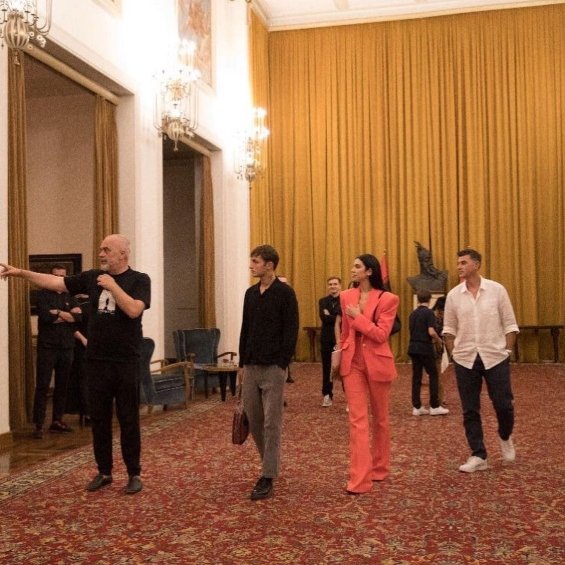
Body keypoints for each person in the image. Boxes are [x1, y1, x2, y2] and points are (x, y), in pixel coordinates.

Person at [1, 234, 151, 494]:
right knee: (100, 420)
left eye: (107, 250)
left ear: (123, 254)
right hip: (96, 362)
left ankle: (133, 474)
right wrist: (20, 273)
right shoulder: (92, 277)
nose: (101, 254)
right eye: (101, 249)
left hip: (126, 361)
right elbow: (56, 282)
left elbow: (134, 310)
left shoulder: (139, 280)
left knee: (128, 419)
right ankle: (104, 472)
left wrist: (113, 286)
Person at [443, 248, 519, 473]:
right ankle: (478, 455)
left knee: (504, 404)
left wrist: (507, 351)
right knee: (469, 409)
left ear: (476, 264)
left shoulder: (497, 290)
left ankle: (505, 436)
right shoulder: (453, 295)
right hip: (465, 359)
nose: (459, 266)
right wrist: (454, 354)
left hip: (495, 356)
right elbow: (448, 329)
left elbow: (510, 324)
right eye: (458, 262)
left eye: (463, 262)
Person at [239, 245, 299, 500]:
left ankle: (267, 476)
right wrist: (242, 364)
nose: (251, 266)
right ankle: (270, 463)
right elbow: (245, 328)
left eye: (255, 261)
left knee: (272, 423)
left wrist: (282, 363)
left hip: (274, 367)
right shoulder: (250, 294)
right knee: (254, 420)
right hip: (251, 366)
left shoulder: (285, 294)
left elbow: (291, 329)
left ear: (269, 265)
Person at [338, 253, 399, 494]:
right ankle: (359, 480)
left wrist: (358, 317)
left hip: (378, 362)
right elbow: (345, 333)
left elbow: (381, 335)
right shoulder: (345, 296)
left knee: (381, 419)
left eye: (357, 266)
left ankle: (380, 468)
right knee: (357, 420)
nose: (352, 270)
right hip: (352, 363)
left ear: (369, 271)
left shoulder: (388, 299)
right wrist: (341, 355)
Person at [32, 265, 82, 439]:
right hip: (48, 347)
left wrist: (59, 313)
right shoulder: (43, 295)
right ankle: (39, 424)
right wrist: (68, 315)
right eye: (56, 276)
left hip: (67, 347)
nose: (59, 279)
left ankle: (57, 421)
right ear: (49, 277)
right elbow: (47, 317)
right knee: (43, 386)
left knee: (62, 385)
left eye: (62, 276)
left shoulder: (70, 296)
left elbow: (78, 318)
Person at [408, 289, 449, 416]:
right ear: (430, 299)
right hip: (425, 348)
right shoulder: (429, 313)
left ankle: (417, 407)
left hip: (413, 347)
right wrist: (439, 340)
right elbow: (431, 331)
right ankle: (434, 406)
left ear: (418, 299)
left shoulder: (413, 314)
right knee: (433, 375)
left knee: (416, 377)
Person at [318, 276, 342, 407]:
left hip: (342, 340)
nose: (333, 286)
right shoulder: (322, 301)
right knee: (327, 368)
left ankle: (350, 397)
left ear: (340, 286)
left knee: (345, 369)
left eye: (335, 284)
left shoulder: (345, 300)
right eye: (330, 284)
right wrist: (337, 317)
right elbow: (324, 318)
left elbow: (344, 320)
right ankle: (327, 395)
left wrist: (330, 316)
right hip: (326, 339)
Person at [431, 295, 448, 405]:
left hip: (432, 347)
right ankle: (439, 398)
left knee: (436, 374)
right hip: (436, 347)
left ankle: (439, 397)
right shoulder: (438, 317)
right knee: (437, 374)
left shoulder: (432, 314)